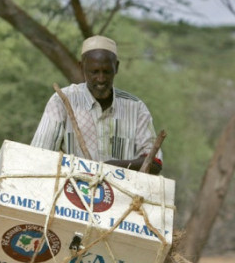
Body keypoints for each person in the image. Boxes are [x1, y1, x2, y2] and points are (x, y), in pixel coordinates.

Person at [30, 35, 163, 174]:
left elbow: (155, 163)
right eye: (94, 72)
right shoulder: (61, 101)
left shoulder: (136, 108)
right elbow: (38, 156)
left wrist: (112, 167)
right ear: (82, 67)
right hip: (69, 191)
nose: (101, 79)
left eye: (106, 72)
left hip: (122, 194)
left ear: (116, 67)